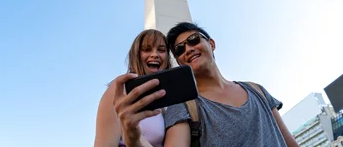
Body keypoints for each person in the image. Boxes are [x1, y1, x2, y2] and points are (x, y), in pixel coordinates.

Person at [163, 22, 299, 147]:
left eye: (193, 39)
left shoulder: (257, 90)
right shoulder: (183, 107)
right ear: (180, 62)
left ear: (211, 44)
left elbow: (290, 143)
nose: (188, 49)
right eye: (179, 49)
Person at [93, 29, 171, 147]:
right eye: (146, 49)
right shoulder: (119, 91)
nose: (155, 54)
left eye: (161, 50)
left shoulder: (163, 103)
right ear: (136, 55)